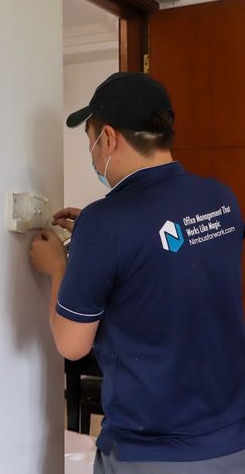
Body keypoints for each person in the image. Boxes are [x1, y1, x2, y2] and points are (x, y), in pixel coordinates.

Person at [30, 72, 245, 473]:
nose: (93, 155)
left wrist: (59, 266)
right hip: (233, 438)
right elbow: (174, 259)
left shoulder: (104, 223)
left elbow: (72, 345)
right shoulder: (220, 198)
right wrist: (100, 241)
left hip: (152, 451)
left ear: (109, 139)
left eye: (91, 141)